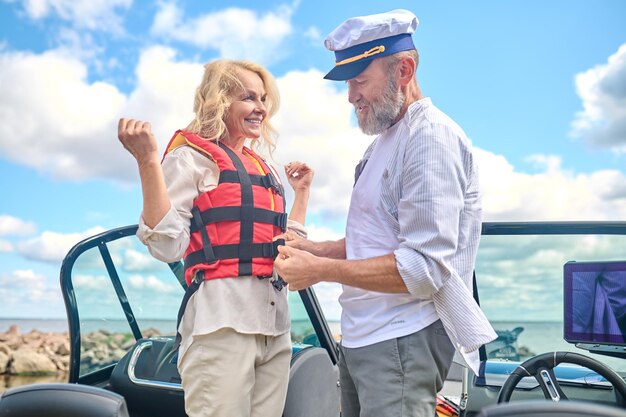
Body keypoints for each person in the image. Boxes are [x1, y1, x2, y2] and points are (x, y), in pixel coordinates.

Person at [274, 9, 497, 417]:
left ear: (404, 70)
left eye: (360, 80)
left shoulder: (429, 138)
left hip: (401, 340)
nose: (351, 95)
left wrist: (318, 271)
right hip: (364, 337)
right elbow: (376, 241)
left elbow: (425, 268)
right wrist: (316, 250)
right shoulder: (380, 146)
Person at [117, 59, 314, 417]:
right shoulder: (190, 158)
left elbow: (287, 248)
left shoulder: (264, 167)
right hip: (221, 326)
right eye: (248, 98)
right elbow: (166, 245)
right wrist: (147, 160)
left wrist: (301, 195)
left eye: (264, 99)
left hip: (275, 328)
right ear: (220, 100)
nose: (261, 108)